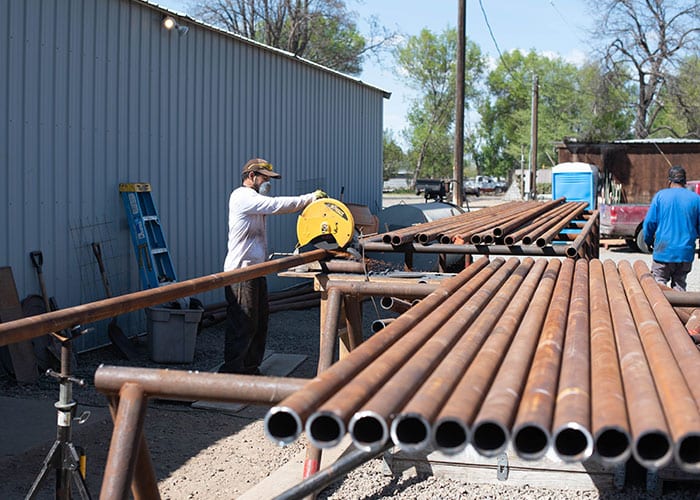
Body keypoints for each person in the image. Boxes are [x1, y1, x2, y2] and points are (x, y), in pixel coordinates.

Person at [221, 158, 326, 374]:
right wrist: (309, 199)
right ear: (251, 177)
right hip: (241, 272)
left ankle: (250, 368)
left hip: (257, 270)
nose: (268, 182)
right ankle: (231, 373)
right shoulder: (241, 197)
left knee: (259, 322)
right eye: (265, 178)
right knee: (243, 323)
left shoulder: (254, 199)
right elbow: (276, 205)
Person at [643, 165, 700, 291]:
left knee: (659, 287)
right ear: (685, 182)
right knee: (679, 287)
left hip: (663, 251)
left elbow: (649, 223)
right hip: (685, 252)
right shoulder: (696, 199)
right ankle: (679, 310)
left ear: (669, 181)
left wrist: (648, 241)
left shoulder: (660, 196)